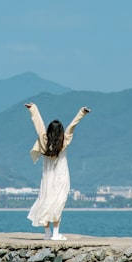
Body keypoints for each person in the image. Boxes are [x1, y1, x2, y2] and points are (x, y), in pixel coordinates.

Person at [25, 102, 90, 240]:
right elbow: (72, 126)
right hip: (61, 177)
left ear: (49, 130)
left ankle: (47, 233)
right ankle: (56, 233)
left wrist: (33, 109)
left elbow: (39, 125)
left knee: (45, 201)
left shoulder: (44, 141)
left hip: (47, 176)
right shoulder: (64, 141)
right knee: (58, 203)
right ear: (61, 131)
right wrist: (82, 112)